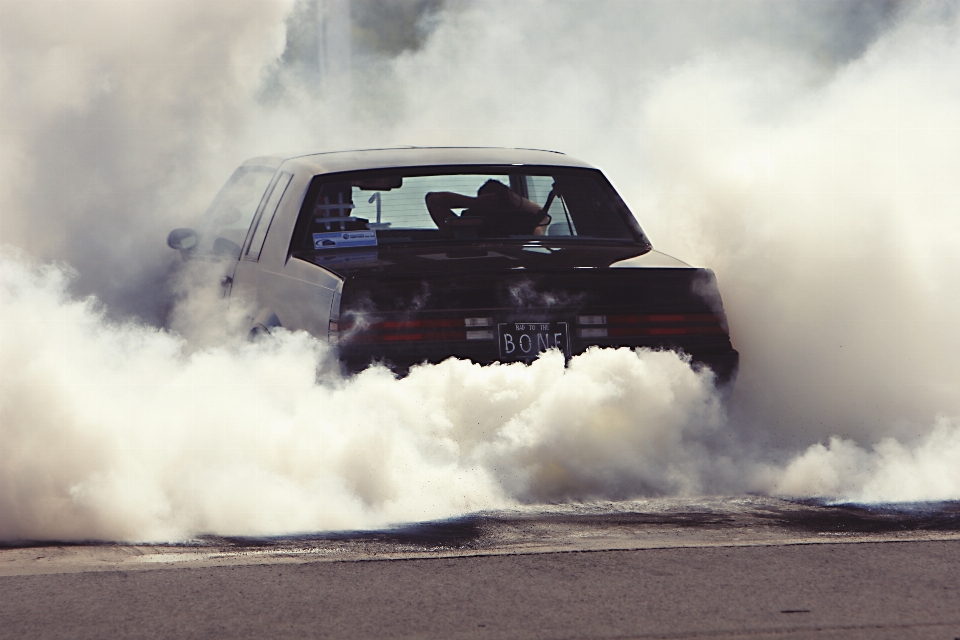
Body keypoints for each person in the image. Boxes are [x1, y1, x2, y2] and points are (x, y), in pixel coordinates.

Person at [425, 179, 550, 238]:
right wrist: (509, 199)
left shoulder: (463, 232)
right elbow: (541, 214)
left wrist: (473, 203)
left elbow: (434, 201)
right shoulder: (525, 224)